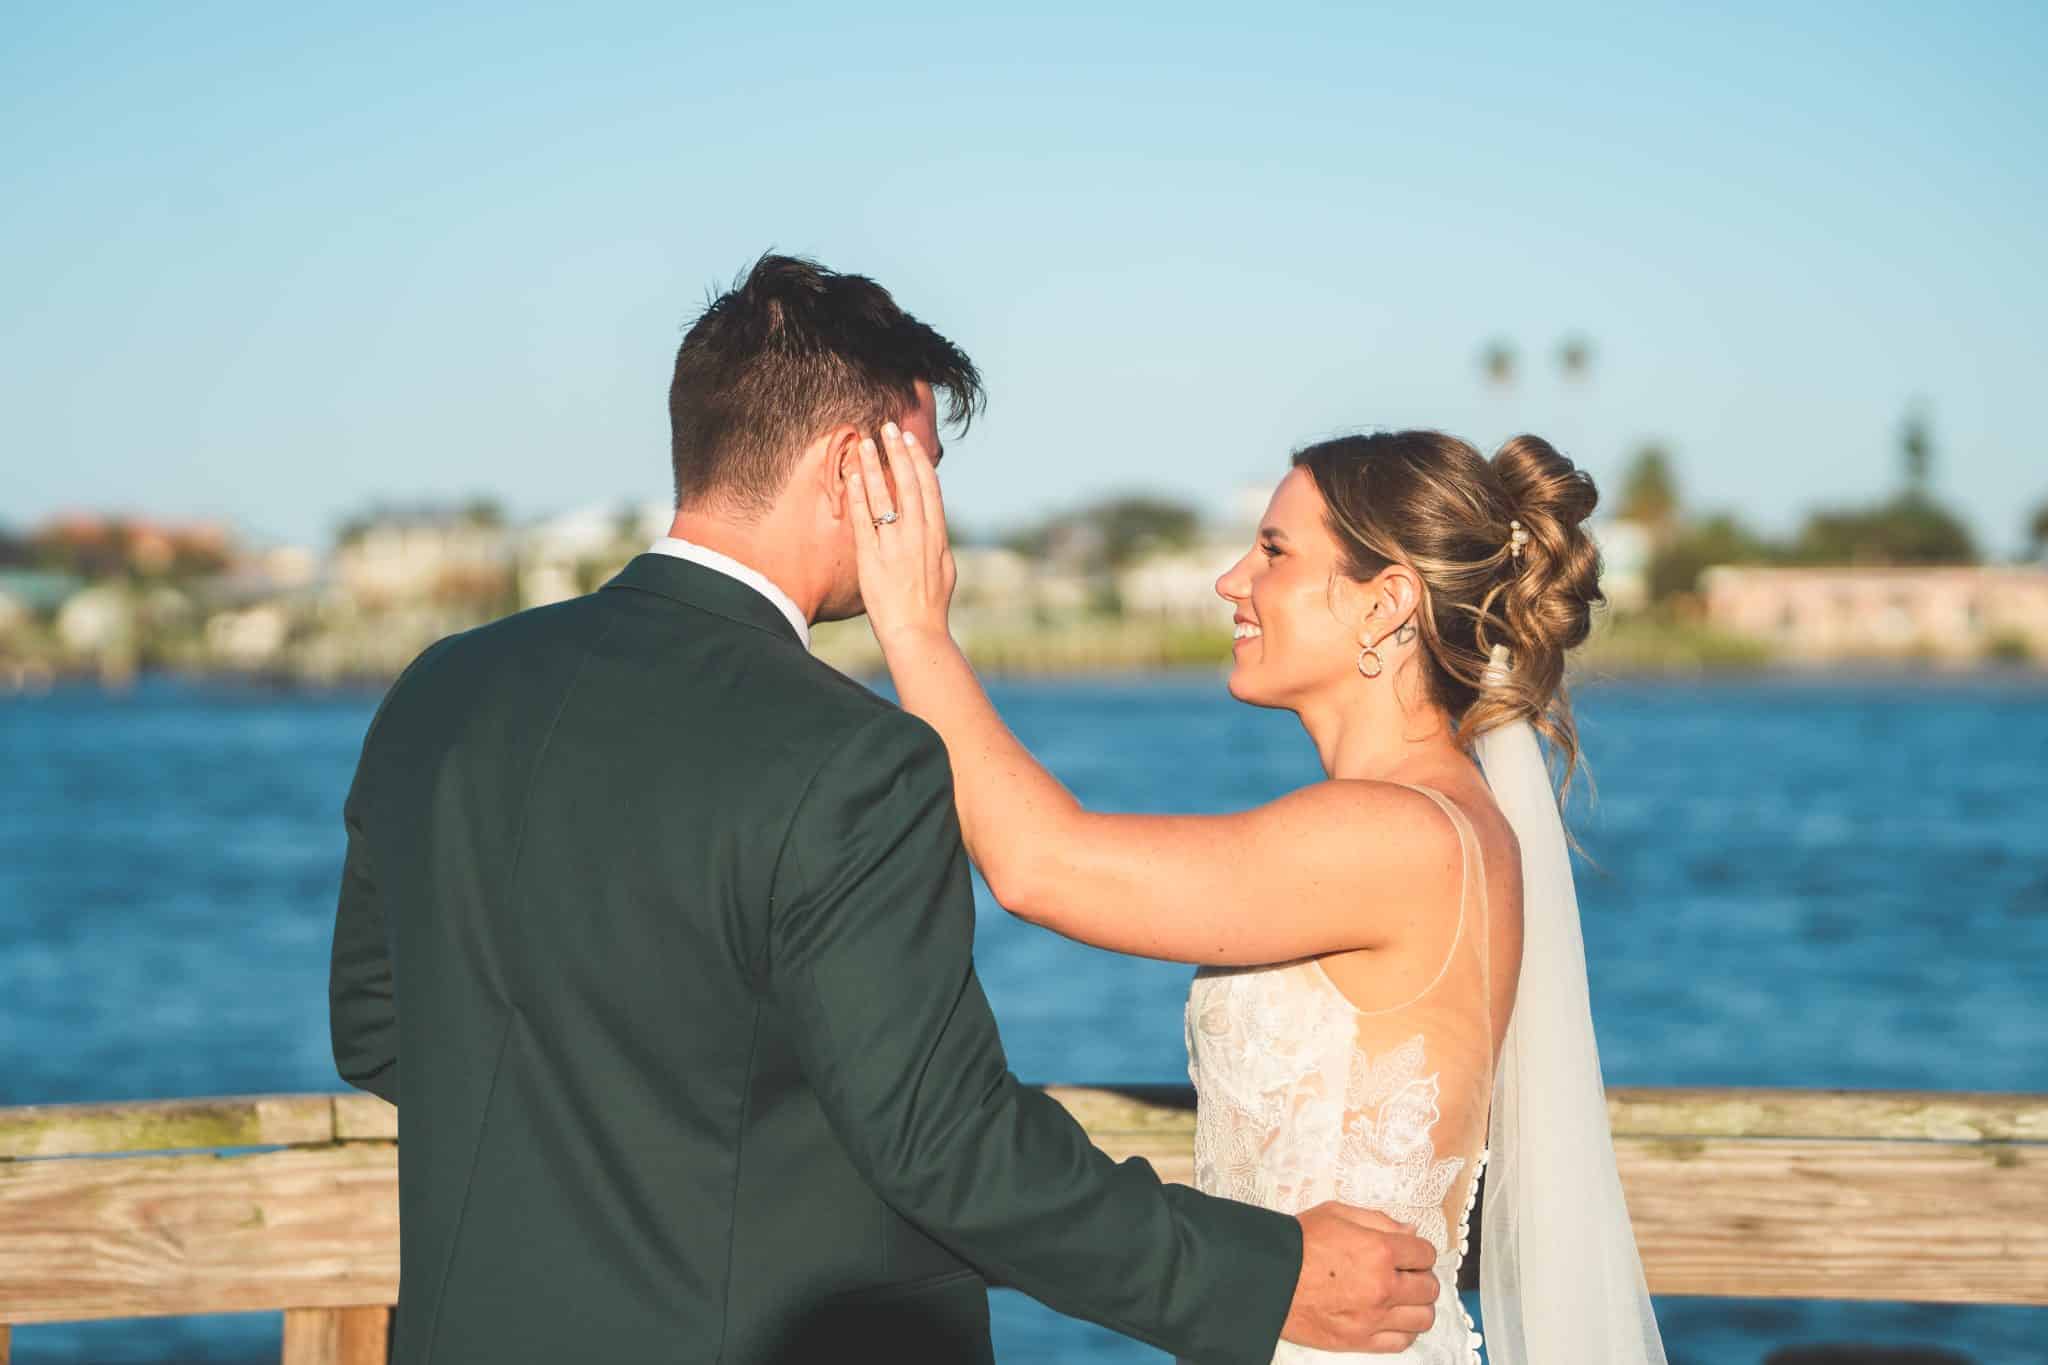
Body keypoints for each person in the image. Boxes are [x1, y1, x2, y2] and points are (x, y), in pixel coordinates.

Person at [329, 254, 1441, 1365]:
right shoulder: (852, 758)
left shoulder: (440, 690)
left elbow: (380, 1033)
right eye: (928, 465)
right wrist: (1259, 1276)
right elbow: (943, 1145)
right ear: (859, 469)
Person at [844, 421, 1670, 1363]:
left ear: (1386, 602)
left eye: (1274, 551)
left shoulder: (1399, 832)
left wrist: (913, 630)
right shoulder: (1422, 817)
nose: (1231, 580)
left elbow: (1042, 866)